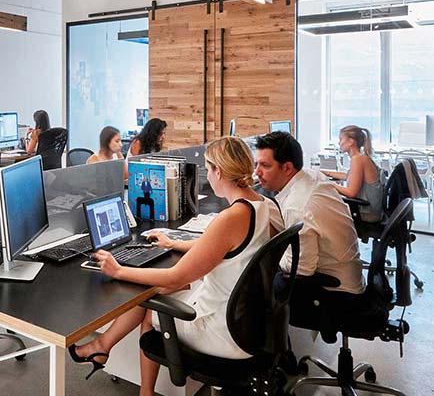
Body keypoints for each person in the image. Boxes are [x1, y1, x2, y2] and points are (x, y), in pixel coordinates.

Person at [70, 137, 283, 394]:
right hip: (247, 319)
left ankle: (139, 386)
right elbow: (220, 246)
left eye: (208, 167)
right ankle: (103, 347)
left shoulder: (230, 217)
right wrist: (173, 244)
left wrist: (118, 270)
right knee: (167, 290)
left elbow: (174, 276)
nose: (207, 174)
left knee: (151, 307)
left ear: (219, 171)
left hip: (224, 331)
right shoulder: (262, 205)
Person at [253, 131, 364, 297]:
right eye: (256, 165)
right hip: (349, 275)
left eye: (265, 166)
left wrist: (269, 254)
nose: (257, 173)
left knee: (253, 274)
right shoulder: (312, 176)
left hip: (336, 293)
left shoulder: (297, 206)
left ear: (287, 168)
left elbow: (301, 269)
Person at [323, 125, 386, 222]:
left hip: (367, 213)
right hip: (373, 210)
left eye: (341, 139)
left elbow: (351, 192)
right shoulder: (361, 157)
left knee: (323, 211)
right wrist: (325, 173)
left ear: (351, 142)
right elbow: (349, 176)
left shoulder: (358, 160)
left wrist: (329, 184)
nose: (339, 142)